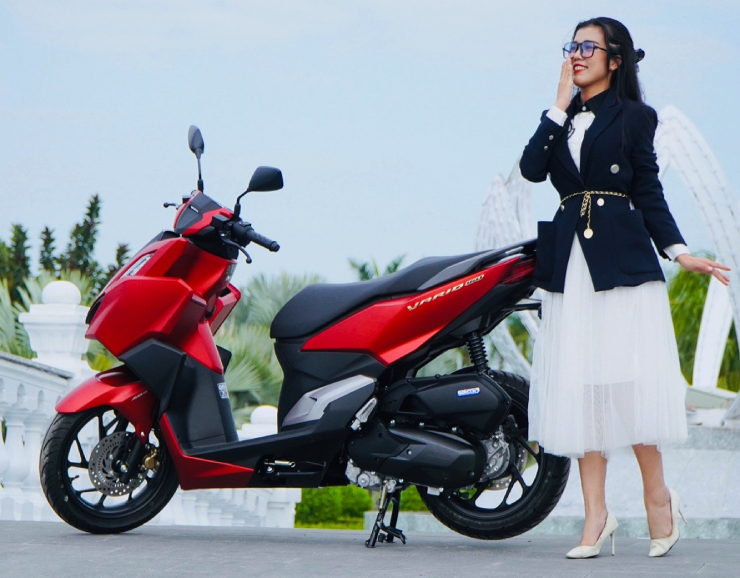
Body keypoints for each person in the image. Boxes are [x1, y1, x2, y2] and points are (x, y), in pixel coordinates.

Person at [519, 16, 731, 559]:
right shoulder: (560, 120)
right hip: (572, 268)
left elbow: (648, 187)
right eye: (572, 46)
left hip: (622, 263)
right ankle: (597, 516)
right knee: (583, 389)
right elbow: (531, 170)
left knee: (627, 387)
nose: (576, 54)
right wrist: (558, 105)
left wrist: (678, 251)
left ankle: (659, 499)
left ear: (615, 60)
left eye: (588, 47)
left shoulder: (636, 116)